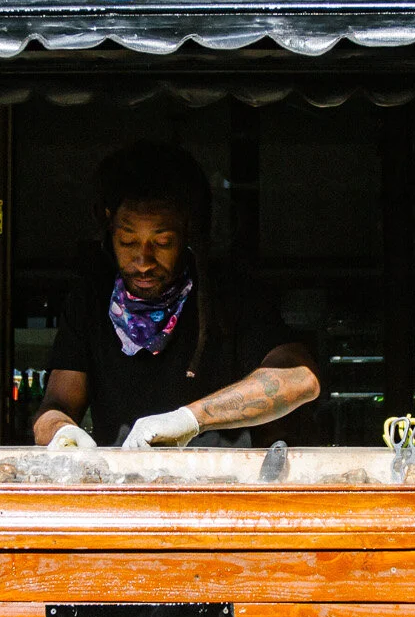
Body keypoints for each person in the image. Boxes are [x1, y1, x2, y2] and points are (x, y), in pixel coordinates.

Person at [32, 142, 321, 450]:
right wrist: (60, 433)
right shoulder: (90, 300)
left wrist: (189, 419)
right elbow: (55, 406)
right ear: (108, 226)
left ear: (187, 232)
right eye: (128, 241)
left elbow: (301, 378)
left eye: (163, 242)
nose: (143, 261)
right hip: (122, 487)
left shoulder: (230, 294)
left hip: (219, 486)